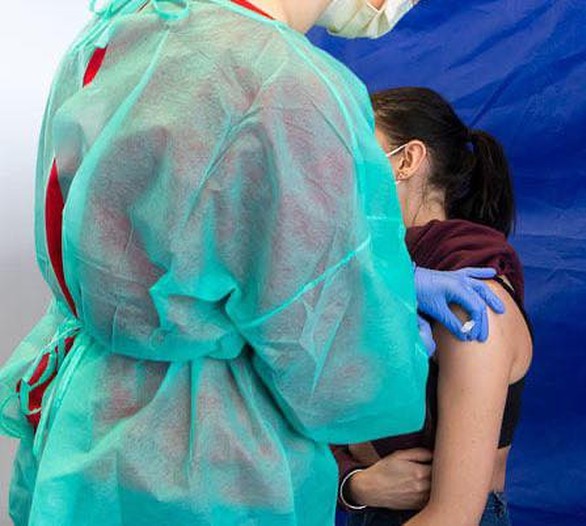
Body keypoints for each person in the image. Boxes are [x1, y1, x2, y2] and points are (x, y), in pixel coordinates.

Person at [0, 2, 502, 525]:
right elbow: (337, 381)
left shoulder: (123, 28)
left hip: (81, 437)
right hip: (208, 470)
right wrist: (389, 333)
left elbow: (153, 240)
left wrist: (395, 283)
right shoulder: (289, 88)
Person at [333, 87, 533, 526]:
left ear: (406, 160)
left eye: (356, 146)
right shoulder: (375, 283)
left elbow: (453, 515)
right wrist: (355, 484)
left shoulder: (472, 301)